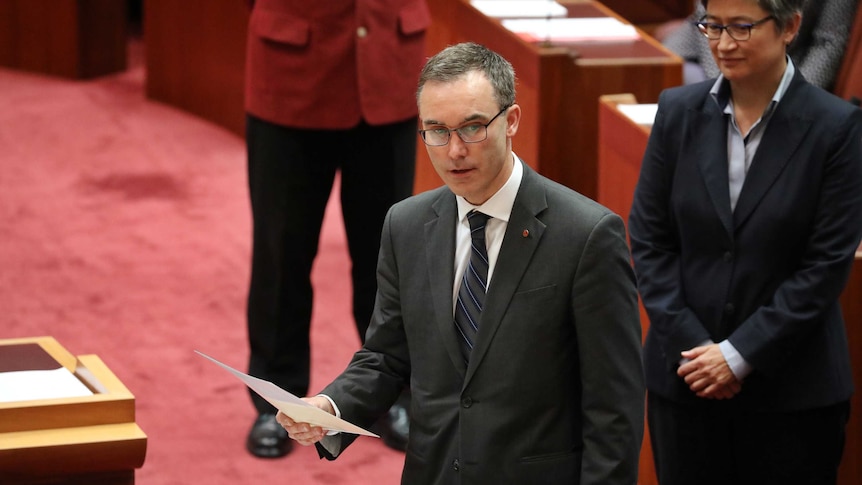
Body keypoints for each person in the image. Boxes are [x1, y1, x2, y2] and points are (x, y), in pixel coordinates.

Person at [276, 42, 645, 484]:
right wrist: (330, 407)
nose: (453, 151)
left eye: (472, 128)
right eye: (436, 130)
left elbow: (614, 407)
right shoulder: (406, 224)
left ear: (511, 121)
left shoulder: (586, 235)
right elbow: (387, 355)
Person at [629, 0, 862, 484]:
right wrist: (697, 349)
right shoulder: (678, 112)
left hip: (792, 391)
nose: (723, 44)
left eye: (741, 27)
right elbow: (650, 242)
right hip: (686, 379)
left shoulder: (836, 128)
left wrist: (738, 356)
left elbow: (825, 266)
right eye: (712, 26)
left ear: (790, 27)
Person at [242, 0, 429, 457]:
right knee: (281, 253)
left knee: (390, 259)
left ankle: (392, 392)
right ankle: (276, 400)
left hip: (388, 68)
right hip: (292, 71)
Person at [662, 0, 857, 90]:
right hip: (703, 40)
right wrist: (722, 79)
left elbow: (828, 41)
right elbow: (704, 12)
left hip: (785, 60)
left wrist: (796, 93)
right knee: (661, 75)